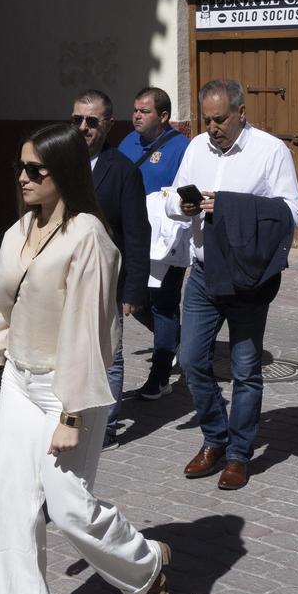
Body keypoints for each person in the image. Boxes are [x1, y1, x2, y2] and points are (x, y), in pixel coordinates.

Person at [0, 123, 170, 594]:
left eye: (37, 170)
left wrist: (73, 414)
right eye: (21, 167)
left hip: (70, 390)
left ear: (65, 175)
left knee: (68, 505)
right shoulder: (17, 232)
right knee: (12, 507)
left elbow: (90, 333)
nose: (24, 177)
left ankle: (145, 563)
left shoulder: (89, 239)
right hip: (20, 382)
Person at [166, 79, 298, 491]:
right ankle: (214, 438)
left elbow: (290, 213)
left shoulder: (270, 151)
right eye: (207, 119)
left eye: (220, 119)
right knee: (190, 361)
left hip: (247, 276)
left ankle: (240, 454)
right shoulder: (195, 148)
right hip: (204, 273)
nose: (212, 127)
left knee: (245, 370)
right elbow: (172, 198)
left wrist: (226, 205)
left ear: (241, 113)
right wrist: (184, 205)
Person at [70, 90, 149, 449]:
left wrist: (133, 290)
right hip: (64, 274)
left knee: (110, 355)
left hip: (106, 277)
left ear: (107, 125)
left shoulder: (122, 171)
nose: (83, 127)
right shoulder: (59, 162)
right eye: (77, 120)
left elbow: (136, 233)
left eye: (92, 121)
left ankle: (107, 428)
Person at [116, 87, 191, 400]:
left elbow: (187, 193)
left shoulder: (182, 147)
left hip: (167, 242)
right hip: (133, 240)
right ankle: (179, 342)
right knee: (134, 302)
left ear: (163, 116)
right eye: (135, 109)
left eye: (144, 111)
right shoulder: (126, 142)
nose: (136, 115)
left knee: (163, 305)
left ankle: (159, 377)